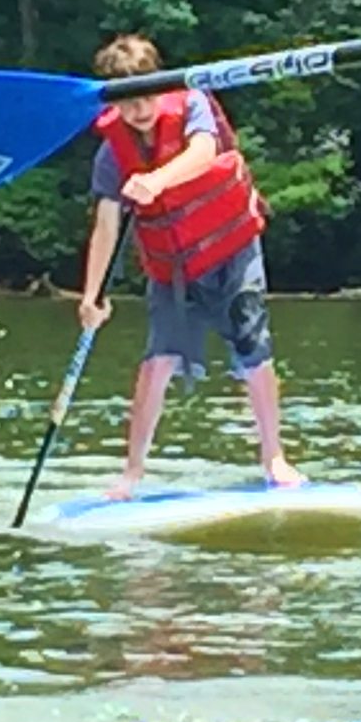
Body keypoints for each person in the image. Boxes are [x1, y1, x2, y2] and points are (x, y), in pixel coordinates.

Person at [77, 34, 304, 494]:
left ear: (162, 88)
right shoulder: (111, 154)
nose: (139, 111)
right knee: (156, 361)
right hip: (174, 267)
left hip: (233, 249)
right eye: (127, 103)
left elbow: (203, 152)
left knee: (252, 346)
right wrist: (90, 296)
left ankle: (274, 456)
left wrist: (156, 181)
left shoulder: (193, 105)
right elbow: (105, 224)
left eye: (147, 98)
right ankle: (132, 473)